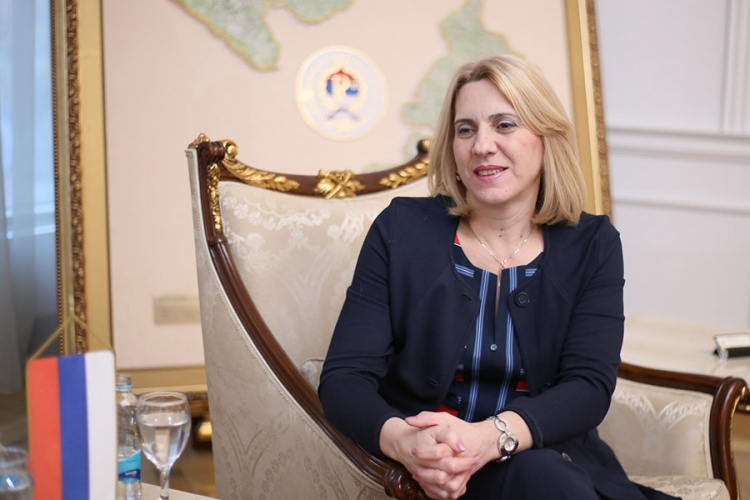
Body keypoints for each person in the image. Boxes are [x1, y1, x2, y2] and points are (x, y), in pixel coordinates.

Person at [318, 55, 679, 500]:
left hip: (553, 470)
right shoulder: (401, 230)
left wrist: (490, 439)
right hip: (428, 475)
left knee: (540, 473)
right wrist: (406, 443)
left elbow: (588, 387)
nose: (482, 146)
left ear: (546, 138)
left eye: (504, 125)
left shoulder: (593, 244)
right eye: (465, 130)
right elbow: (344, 379)